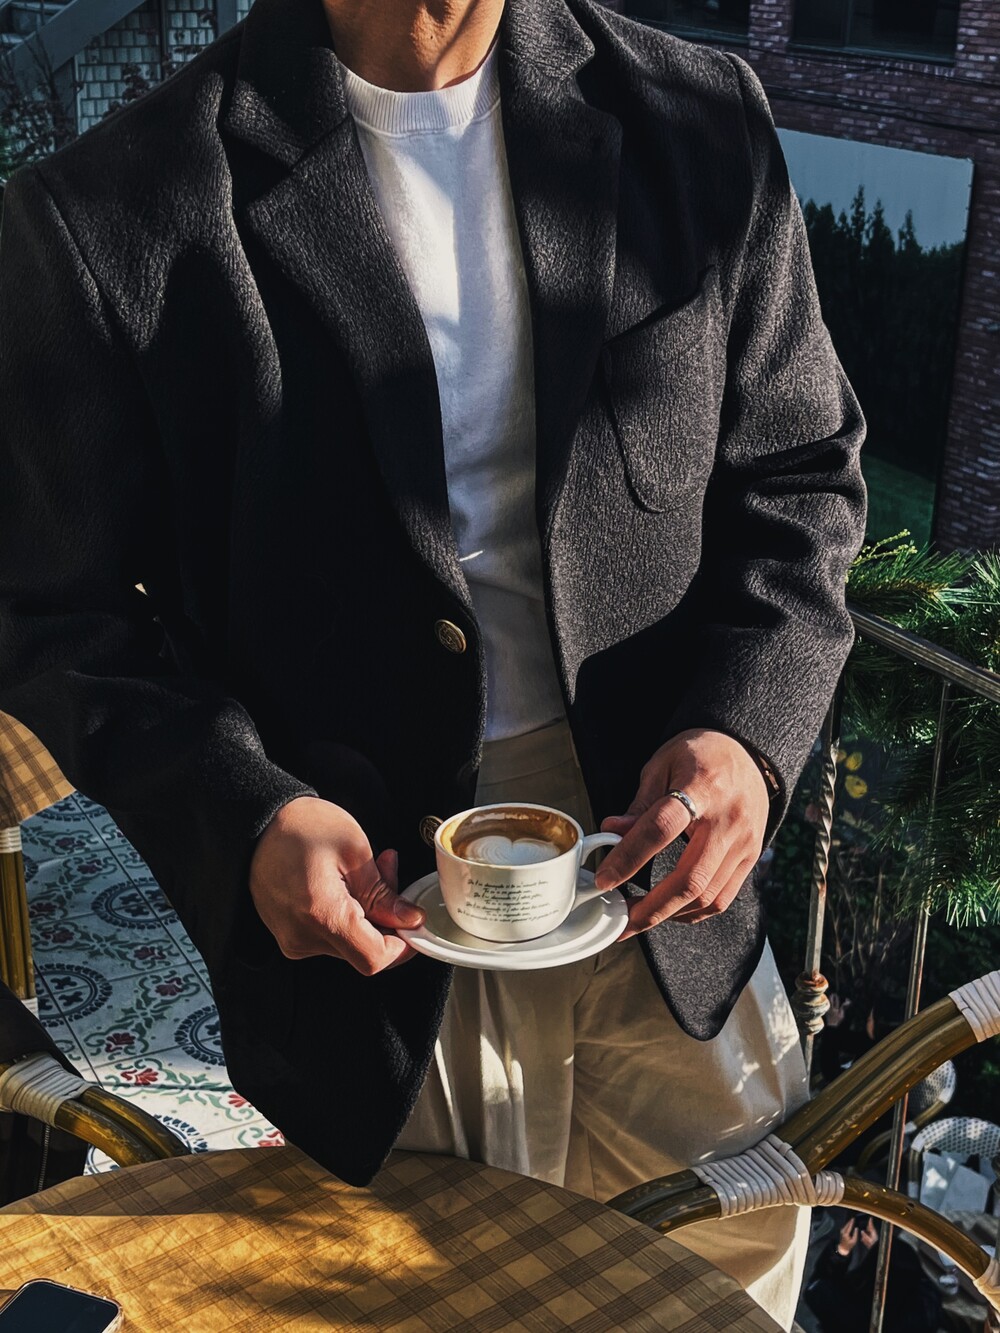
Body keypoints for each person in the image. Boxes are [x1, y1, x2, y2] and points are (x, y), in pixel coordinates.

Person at [0, 0, 867, 1324]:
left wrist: (747, 734)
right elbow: (54, 613)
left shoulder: (698, 119)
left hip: (667, 896)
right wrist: (244, 813)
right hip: (380, 932)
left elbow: (801, 476)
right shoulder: (109, 210)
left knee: (718, 1303)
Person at [804, 1215, 943, 1333]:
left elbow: (816, 1287)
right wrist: (878, 1250)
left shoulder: (849, 1317)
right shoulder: (925, 1310)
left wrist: (841, 1251)